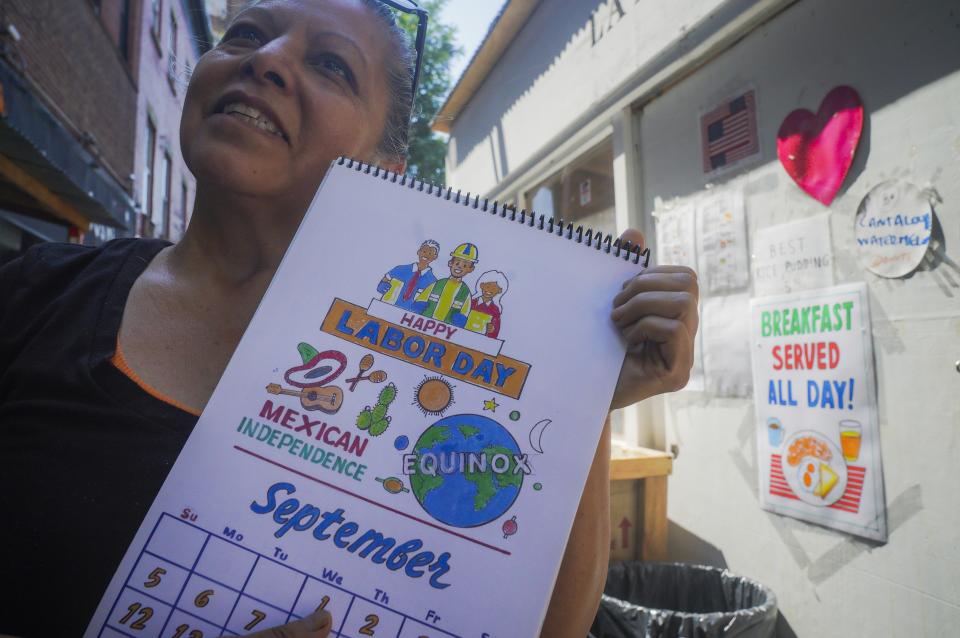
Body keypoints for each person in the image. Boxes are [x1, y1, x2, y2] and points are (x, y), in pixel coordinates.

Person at [0, 1, 699, 637]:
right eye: (245, 33)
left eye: (330, 64)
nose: (265, 59)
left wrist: (583, 396)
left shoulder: (427, 365)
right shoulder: (35, 295)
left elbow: (545, 630)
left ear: (383, 169)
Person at [412, 242, 477, 326]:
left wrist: (461, 318)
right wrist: (419, 305)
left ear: (471, 269)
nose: (459, 267)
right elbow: (422, 298)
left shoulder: (465, 292)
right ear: (450, 263)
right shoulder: (438, 283)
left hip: (445, 329)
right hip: (424, 323)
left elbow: (465, 311)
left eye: (465, 265)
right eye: (457, 263)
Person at [376, 239, 439, 310]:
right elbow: (384, 280)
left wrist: (424, 306)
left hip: (408, 316)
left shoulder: (432, 282)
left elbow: (432, 303)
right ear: (419, 252)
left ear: (435, 257)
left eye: (430, 253)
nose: (426, 255)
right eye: (424, 251)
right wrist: (382, 285)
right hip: (385, 307)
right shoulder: (400, 269)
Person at [465, 269, 509, 338]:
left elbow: (496, 329)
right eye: (488, 286)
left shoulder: (495, 310)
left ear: (499, 291)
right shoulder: (471, 302)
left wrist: (492, 329)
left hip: (479, 340)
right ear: (482, 285)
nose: (489, 290)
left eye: (494, 288)